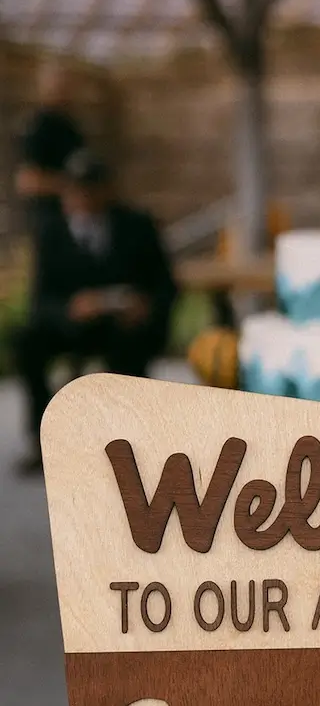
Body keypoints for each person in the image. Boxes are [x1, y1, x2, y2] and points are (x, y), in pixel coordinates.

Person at [12, 150, 178, 473]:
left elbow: (165, 284)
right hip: (73, 325)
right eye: (77, 189)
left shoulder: (136, 225)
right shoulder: (52, 233)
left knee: (129, 347)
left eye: (91, 187)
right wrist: (70, 309)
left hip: (122, 326)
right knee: (27, 341)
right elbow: (40, 301)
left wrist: (147, 307)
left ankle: (126, 439)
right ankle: (43, 438)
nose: (84, 196)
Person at [15, 61, 86, 238]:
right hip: (49, 219)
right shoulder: (38, 127)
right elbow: (27, 181)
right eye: (57, 81)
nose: (63, 87)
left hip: (76, 218)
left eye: (66, 82)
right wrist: (68, 187)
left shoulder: (71, 127)